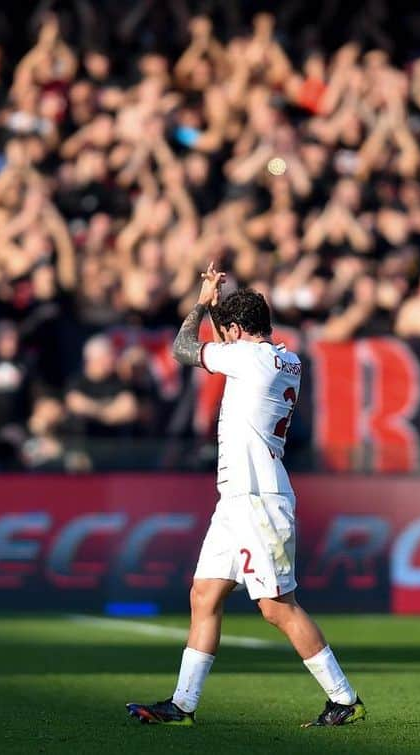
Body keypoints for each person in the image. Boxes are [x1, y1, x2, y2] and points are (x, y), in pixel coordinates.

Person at [126, 263, 365, 728]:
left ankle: (344, 699)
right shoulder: (282, 358)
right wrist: (220, 305)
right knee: (205, 594)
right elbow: (231, 344)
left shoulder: (244, 359)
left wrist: (200, 302)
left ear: (236, 331)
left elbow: (182, 349)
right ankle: (183, 705)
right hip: (239, 498)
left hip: (258, 497)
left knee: (277, 606)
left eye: (227, 331)